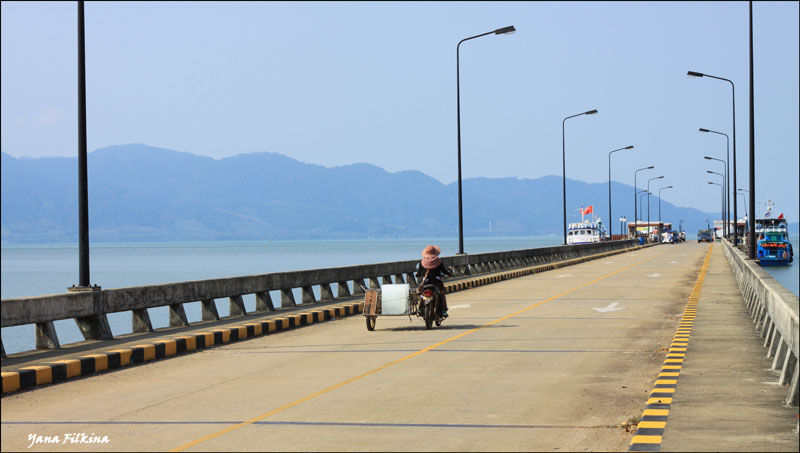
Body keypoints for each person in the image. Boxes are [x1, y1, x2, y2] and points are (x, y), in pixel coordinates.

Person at [415, 245, 453, 318]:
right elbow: (443, 270)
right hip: (436, 281)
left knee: (422, 294)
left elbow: (419, 272)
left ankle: (420, 309)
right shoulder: (438, 260)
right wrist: (449, 274)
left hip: (425, 282)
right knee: (441, 294)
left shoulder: (422, 261)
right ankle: (443, 311)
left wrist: (417, 274)